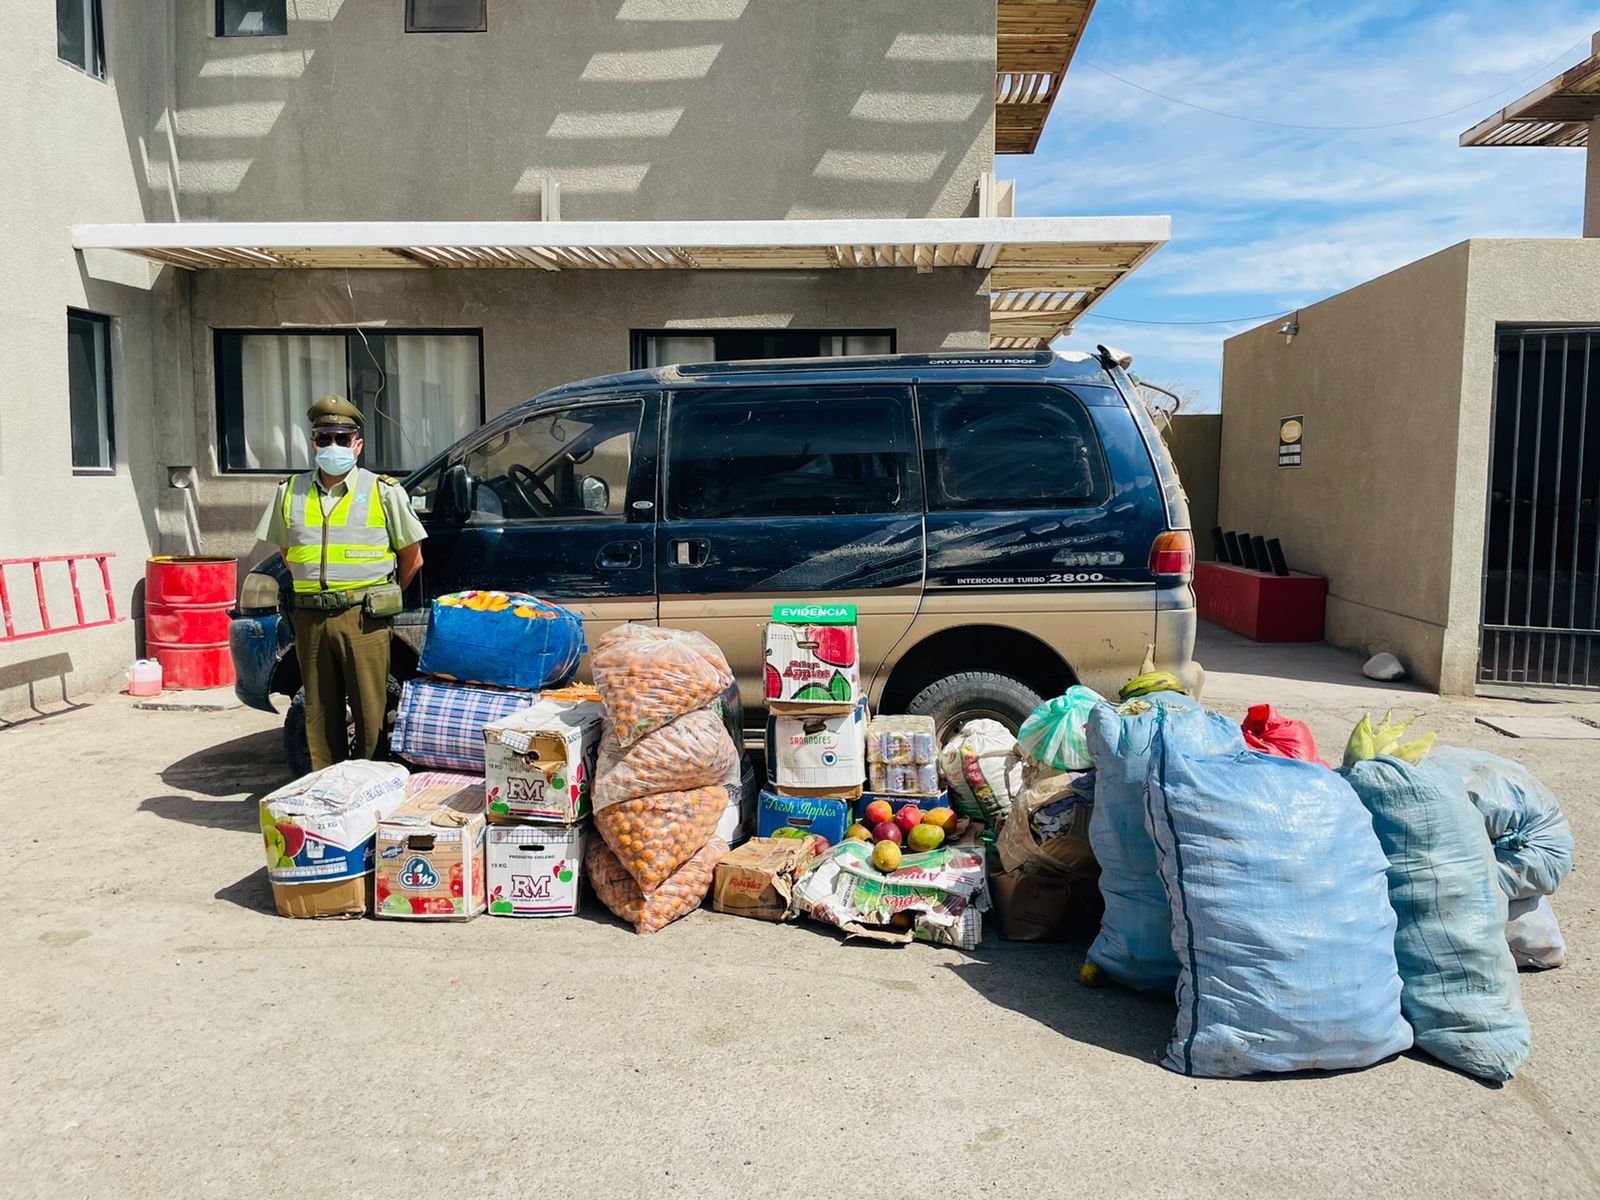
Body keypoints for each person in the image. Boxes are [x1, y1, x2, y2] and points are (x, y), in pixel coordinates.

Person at [255, 396, 426, 769]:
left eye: (342, 438)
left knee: (370, 711)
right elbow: (288, 552)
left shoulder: (383, 491)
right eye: (325, 437)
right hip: (310, 618)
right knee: (318, 711)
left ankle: (371, 792)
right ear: (312, 443)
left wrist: (379, 595)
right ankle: (327, 793)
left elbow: (412, 558)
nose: (333, 446)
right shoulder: (289, 492)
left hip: (363, 618)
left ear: (358, 445)